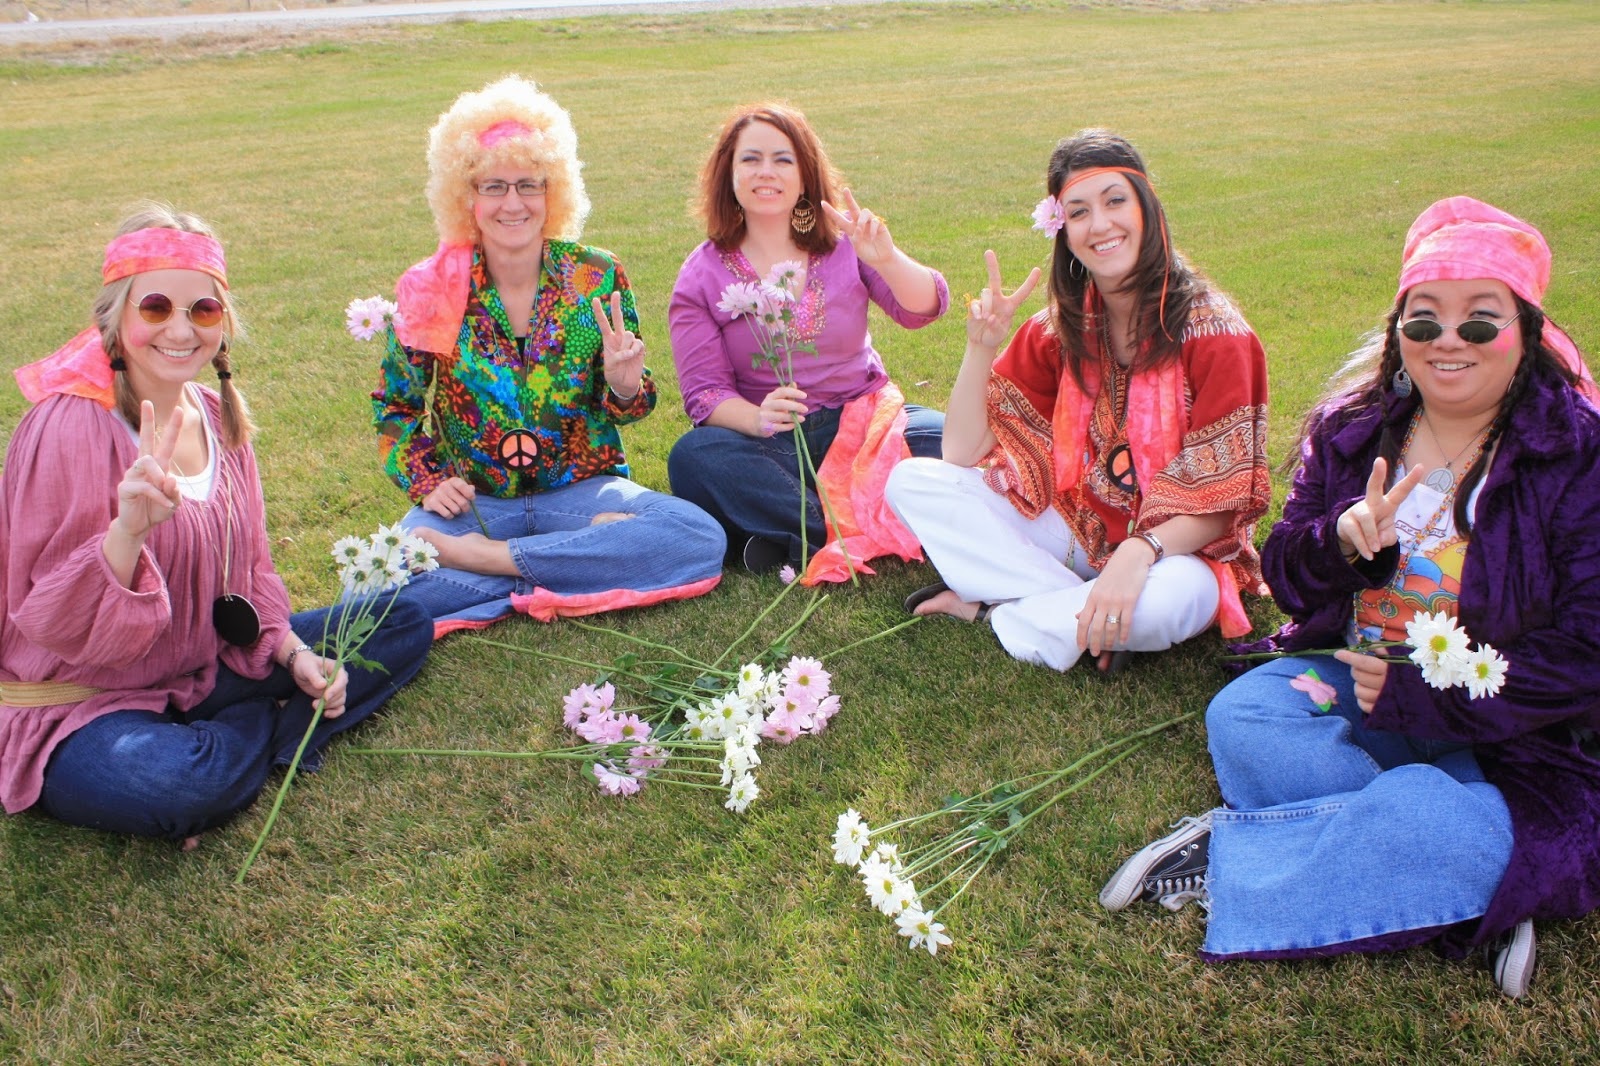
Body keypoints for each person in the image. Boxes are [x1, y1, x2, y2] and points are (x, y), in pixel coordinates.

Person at [1099, 196, 1600, 999]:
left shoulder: (1576, 455)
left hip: (1512, 730)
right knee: (1245, 719)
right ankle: (1449, 867)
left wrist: (1429, 698)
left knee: (1475, 830)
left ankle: (1237, 852)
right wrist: (1340, 543)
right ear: (1400, 331)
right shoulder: (1353, 429)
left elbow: (1585, 654)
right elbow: (1287, 574)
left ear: (1527, 331)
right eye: (1424, 317)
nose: (1448, 339)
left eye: (1480, 319)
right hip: (1353, 682)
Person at [1, 203, 433, 845]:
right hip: (84, 703)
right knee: (176, 787)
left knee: (402, 621)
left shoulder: (216, 413)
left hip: (200, 668)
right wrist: (126, 534)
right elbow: (50, 622)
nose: (180, 329)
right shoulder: (67, 426)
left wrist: (293, 653)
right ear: (115, 317)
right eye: (156, 307)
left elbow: (249, 572)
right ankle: (270, 724)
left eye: (202, 310)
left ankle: (245, 731)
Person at [885, 130, 1270, 672]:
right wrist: (981, 347)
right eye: (1079, 211)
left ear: (1146, 208)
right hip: (1080, 530)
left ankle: (997, 612)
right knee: (912, 481)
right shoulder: (1059, 330)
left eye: (1115, 201)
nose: (1101, 224)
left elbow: (1225, 502)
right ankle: (1082, 615)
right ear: (1062, 229)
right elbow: (961, 452)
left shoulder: (1217, 335)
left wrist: (1139, 551)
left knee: (1168, 602)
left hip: (1176, 555)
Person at [376, 75, 726, 633]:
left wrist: (624, 385)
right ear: (466, 196)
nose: (513, 203)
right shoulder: (431, 287)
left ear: (553, 190)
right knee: (372, 584)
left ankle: (495, 566)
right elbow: (395, 408)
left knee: (698, 537)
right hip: (478, 505)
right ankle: (573, 564)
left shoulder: (595, 275)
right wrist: (427, 480)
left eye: (529, 185)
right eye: (493, 186)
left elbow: (630, 407)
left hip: (581, 494)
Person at [666, 102, 949, 577]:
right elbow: (705, 394)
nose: (766, 172)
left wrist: (886, 258)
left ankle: (790, 533)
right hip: (772, 445)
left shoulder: (843, 244)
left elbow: (923, 307)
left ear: (804, 176)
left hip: (863, 426)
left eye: (783, 159)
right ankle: (868, 521)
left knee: (947, 440)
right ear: (729, 175)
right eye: (750, 159)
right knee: (695, 458)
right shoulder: (702, 274)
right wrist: (758, 418)